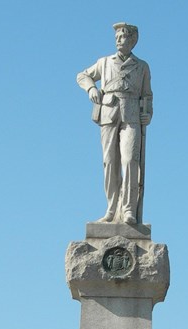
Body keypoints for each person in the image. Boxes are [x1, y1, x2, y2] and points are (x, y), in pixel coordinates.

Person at [77, 23, 153, 224]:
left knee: (130, 161)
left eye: (124, 37)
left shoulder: (142, 66)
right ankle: (111, 209)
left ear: (133, 41)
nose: (119, 40)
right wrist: (91, 88)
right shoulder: (104, 62)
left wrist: (148, 114)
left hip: (132, 116)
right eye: (118, 37)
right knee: (110, 162)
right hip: (109, 113)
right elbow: (82, 76)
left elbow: (147, 95)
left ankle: (128, 210)